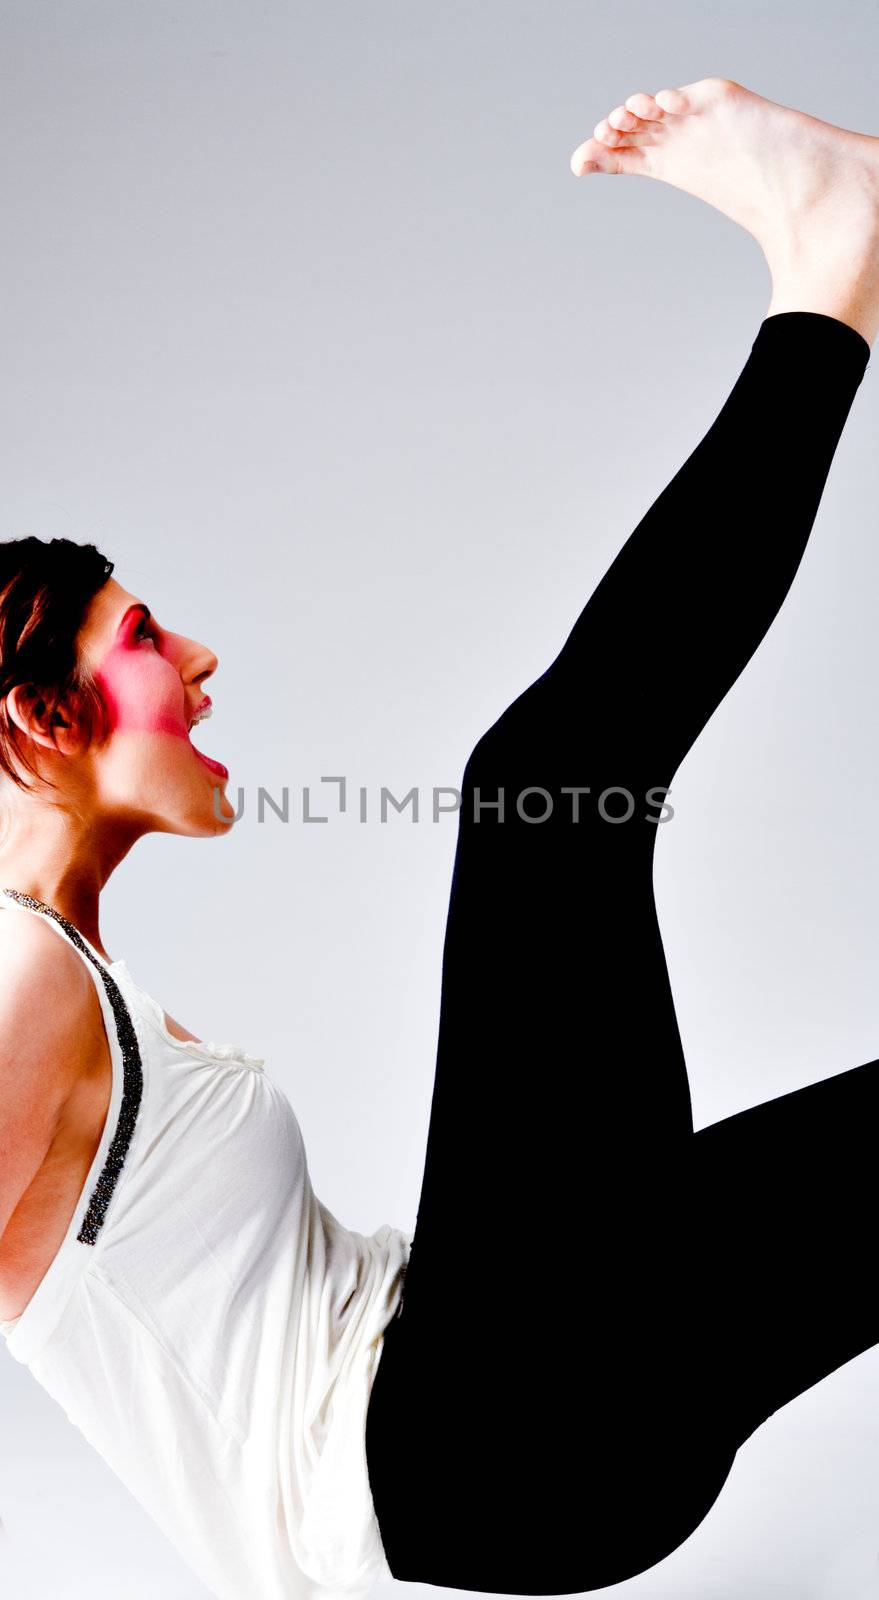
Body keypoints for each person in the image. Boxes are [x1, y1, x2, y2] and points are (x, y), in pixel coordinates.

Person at [1, 74, 878, 1600]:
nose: (199, 659)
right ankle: (835, 268)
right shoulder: (21, 977)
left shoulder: (72, 972)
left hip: (524, 1422)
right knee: (538, 794)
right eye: (142, 636)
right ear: (36, 722)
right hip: (479, 1449)